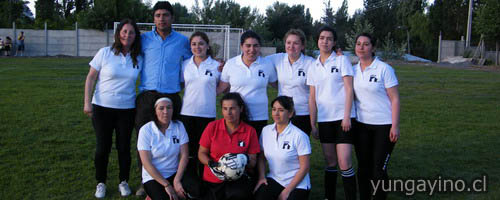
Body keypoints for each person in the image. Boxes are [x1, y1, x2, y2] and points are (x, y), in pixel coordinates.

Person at [135, 1, 192, 195]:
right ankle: (145, 181)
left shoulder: (182, 41)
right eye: (158, 15)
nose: (161, 19)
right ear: (153, 18)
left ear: (172, 18)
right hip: (147, 96)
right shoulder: (143, 40)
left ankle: (175, 175)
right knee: (144, 139)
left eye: (165, 15)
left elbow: (192, 64)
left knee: (173, 137)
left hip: (171, 96)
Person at [83, 18, 142, 198]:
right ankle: (100, 182)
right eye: (124, 31)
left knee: (124, 147)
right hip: (102, 107)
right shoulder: (105, 53)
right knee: (103, 147)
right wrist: (87, 102)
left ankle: (123, 181)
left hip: (127, 109)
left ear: (135, 36)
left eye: (131, 32)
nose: (127, 35)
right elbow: (91, 77)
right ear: (118, 34)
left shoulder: (139, 56)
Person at [307, 26, 357, 200]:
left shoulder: (342, 60)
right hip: (325, 120)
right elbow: (312, 98)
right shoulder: (313, 66)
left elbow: (349, 89)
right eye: (322, 38)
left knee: (344, 162)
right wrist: (313, 124)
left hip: (344, 119)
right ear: (318, 41)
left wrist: (346, 116)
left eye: (329, 38)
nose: (325, 41)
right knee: (330, 162)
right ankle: (329, 197)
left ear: (334, 42)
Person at [352, 33, 400, 200]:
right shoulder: (353, 70)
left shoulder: (384, 69)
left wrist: (395, 125)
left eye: (366, 44)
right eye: (358, 44)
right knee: (363, 168)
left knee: (378, 169)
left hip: (384, 126)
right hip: (361, 126)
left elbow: (394, 98)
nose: (361, 47)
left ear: (373, 47)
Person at [198, 92, 260, 200]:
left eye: (232, 108)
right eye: (225, 108)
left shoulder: (250, 131)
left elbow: (253, 161)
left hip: (237, 179)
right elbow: (201, 153)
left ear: (241, 109)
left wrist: (243, 160)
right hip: (213, 179)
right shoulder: (212, 127)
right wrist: (211, 163)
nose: (228, 113)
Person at [217, 30, 277, 136]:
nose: (252, 50)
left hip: (259, 116)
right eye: (248, 46)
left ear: (260, 47)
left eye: (255, 46)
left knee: (257, 150)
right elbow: (221, 88)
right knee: (237, 151)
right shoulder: (231, 64)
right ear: (241, 46)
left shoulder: (267, 64)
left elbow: (277, 85)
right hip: (236, 116)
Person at [254, 96, 311, 200]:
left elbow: (305, 167)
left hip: (297, 184)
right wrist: (262, 177)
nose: (276, 113)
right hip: (275, 179)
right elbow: (261, 157)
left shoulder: (299, 135)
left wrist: (287, 191)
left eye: (281, 110)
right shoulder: (266, 131)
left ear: (290, 113)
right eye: (274, 109)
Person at [180, 31, 221, 176]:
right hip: (187, 113)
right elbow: (180, 84)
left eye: (201, 44)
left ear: (207, 45)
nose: (198, 47)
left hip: (207, 114)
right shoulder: (185, 65)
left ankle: (205, 178)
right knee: (189, 150)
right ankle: (190, 180)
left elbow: (224, 85)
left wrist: (212, 93)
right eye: (194, 44)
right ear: (190, 46)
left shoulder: (216, 66)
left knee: (205, 149)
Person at [265, 29, 315, 135]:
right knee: (283, 148)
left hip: (303, 113)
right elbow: (258, 60)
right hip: (283, 113)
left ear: (302, 46)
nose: (291, 46)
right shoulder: (277, 58)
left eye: (296, 43)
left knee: (300, 148)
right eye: (288, 43)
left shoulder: (310, 63)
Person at [138, 97, 189, 200]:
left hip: (174, 173)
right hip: (153, 177)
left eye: (169, 108)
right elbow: (146, 163)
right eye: (161, 108)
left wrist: (177, 180)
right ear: (155, 111)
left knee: (195, 192)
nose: (165, 112)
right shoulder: (146, 130)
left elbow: (184, 155)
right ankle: (150, 196)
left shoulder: (179, 125)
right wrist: (167, 185)